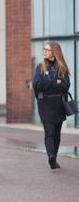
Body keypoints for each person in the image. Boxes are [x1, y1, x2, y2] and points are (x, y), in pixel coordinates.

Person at [33, 41, 71, 169]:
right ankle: (51, 156)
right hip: (45, 104)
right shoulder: (40, 67)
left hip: (59, 104)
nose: (44, 51)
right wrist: (56, 83)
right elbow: (37, 85)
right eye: (44, 49)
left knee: (57, 133)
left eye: (47, 50)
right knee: (49, 131)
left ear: (54, 52)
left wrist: (49, 85)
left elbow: (66, 86)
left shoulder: (62, 67)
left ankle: (54, 155)